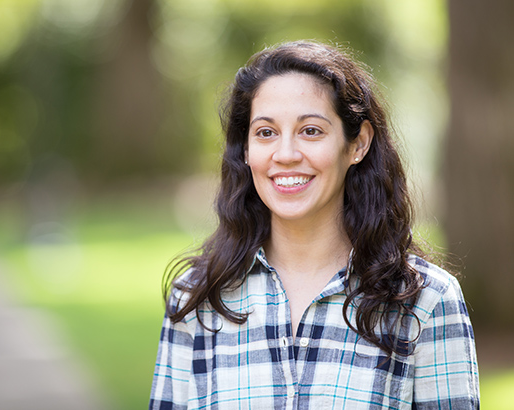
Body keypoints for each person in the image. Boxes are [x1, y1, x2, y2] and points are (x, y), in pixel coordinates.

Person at [149, 41, 479, 409]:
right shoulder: (198, 297)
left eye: (310, 131)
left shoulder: (426, 301)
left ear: (358, 144)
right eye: (266, 132)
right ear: (246, 149)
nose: (286, 154)